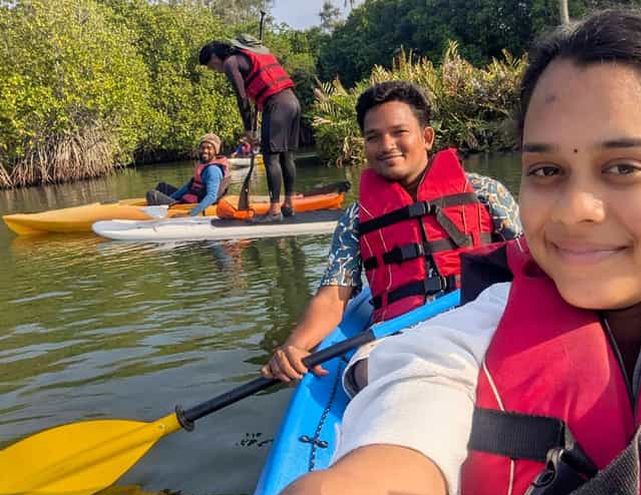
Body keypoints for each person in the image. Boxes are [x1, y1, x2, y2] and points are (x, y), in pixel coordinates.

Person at [278, 9, 641, 495]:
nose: (573, 211)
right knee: (374, 368)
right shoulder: (450, 341)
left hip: (454, 303)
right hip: (405, 328)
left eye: (624, 168)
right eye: (546, 171)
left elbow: (514, 246)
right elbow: (403, 419)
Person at [262, 81, 522, 396]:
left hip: (477, 319)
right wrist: (295, 346)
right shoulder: (355, 218)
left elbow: (530, 261)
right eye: (373, 137)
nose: (386, 145)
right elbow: (333, 297)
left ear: (426, 138)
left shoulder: (485, 192)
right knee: (362, 371)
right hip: (398, 336)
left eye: (399, 132)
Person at [199, 38, 300, 221]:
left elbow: (241, 97)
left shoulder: (230, 62)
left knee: (271, 158)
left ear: (215, 56)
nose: (215, 70)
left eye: (211, 66)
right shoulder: (248, 55)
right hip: (292, 102)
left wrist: (248, 130)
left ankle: (275, 210)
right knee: (286, 156)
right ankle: (289, 204)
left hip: (277, 105)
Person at [146, 133, 231, 217]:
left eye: (209, 148)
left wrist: (190, 214)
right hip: (192, 197)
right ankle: (165, 206)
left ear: (215, 151)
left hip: (195, 203)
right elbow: (188, 187)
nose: (205, 151)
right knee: (162, 186)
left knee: (152, 195)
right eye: (202, 148)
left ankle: (155, 212)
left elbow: (212, 197)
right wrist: (171, 201)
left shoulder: (212, 170)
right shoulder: (204, 165)